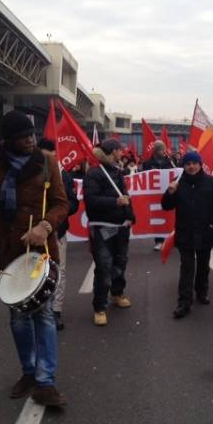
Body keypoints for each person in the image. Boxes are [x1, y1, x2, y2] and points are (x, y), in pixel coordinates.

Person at [0, 110, 69, 406]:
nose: (31, 140)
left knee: (44, 314)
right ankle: (29, 372)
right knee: (18, 318)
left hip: (41, 254)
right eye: (24, 137)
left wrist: (45, 226)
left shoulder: (47, 162)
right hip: (6, 254)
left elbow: (62, 204)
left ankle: (46, 382)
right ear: (7, 140)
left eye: (32, 134)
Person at [161, 151, 213, 318]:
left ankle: (202, 292)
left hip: (205, 232)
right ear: (184, 166)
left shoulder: (211, 182)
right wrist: (170, 192)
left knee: (203, 266)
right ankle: (184, 302)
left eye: (194, 163)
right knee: (187, 268)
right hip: (185, 233)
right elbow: (166, 206)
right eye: (188, 163)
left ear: (200, 164)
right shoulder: (177, 183)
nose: (191, 166)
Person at [84, 139, 135, 327]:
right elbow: (91, 200)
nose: (122, 154)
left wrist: (131, 216)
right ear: (113, 151)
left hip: (121, 226)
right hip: (102, 228)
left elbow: (126, 196)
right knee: (104, 266)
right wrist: (114, 202)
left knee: (120, 262)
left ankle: (117, 293)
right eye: (120, 151)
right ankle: (99, 307)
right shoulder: (94, 173)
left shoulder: (117, 172)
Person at [37, 138, 80, 331]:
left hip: (57, 232)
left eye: (52, 157)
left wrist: (57, 214)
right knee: (36, 271)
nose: (49, 161)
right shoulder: (28, 174)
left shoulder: (64, 175)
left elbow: (73, 203)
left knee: (59, 271)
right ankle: (37, 306)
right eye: (45, 157)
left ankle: (56, 310)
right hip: (34, 232)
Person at [142, 140, 176, 250]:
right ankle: (159, 241)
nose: (163, 151)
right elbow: (144, 178)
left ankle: (171, 239)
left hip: (168, 193)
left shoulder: (171, 162)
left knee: (170, 216)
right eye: (161, 149)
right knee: (157, 218)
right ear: (156, 150)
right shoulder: (147, 163)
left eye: (164, 149)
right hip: (154, 195)